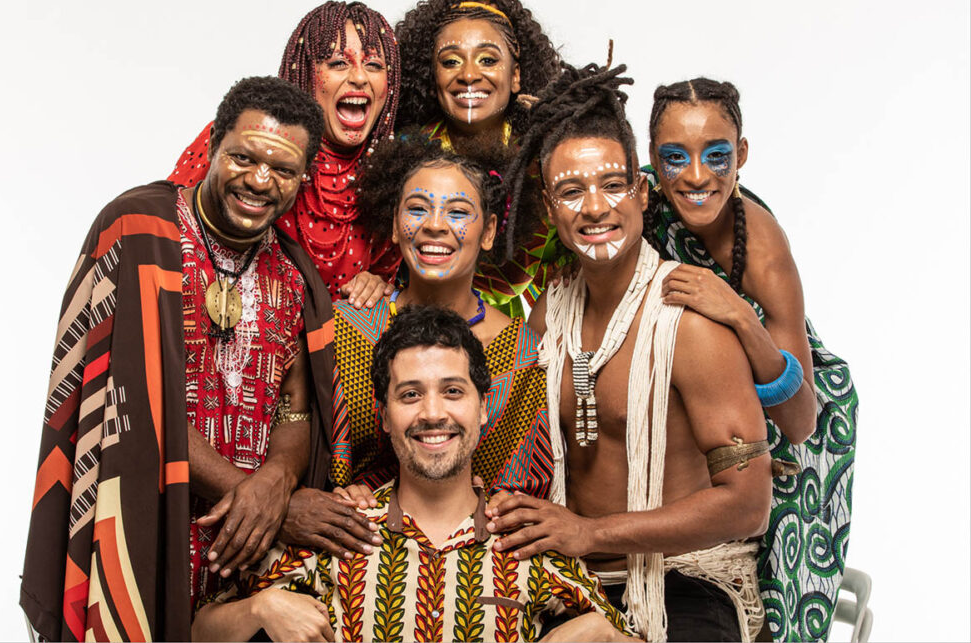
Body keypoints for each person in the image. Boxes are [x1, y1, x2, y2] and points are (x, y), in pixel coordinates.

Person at [20, 76, 341, 640]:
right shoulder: (142, 229)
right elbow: (131, 400)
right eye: (243, 158)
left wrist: (276, 480)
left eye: (283, 170)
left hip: (245, 551)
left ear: (302, 178)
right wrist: (256, 497)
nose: (259, 181)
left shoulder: (294, 274)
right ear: (212, 145)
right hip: (149, 514)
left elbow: (297, 408)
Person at [487, 63, 778, 642]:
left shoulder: (692, 322)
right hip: (571, 581)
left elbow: (748, 504)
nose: (595, 208)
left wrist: (590, 534)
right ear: (549, 208)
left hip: (687, 579)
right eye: (572, 191)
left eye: (612, 185)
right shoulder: (550, 311)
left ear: (642, 192)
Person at [192, 306, 633, 643]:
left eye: (452, 391)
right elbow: (200, 630)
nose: (433, 413)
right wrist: (260, 609)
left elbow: (625, 635)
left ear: (483, 408)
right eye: (410, 395)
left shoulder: (526, 538)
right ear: (384, 416)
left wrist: (603, 632)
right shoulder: (339, 528)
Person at [642, 78, 857, 642]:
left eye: (716, 155)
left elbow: (801, 420)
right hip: (717, 398)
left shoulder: (762, 247)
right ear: (650, 160)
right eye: (674, 157)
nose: (695, 176)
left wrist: (738, 315)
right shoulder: (639, 199)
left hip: (797, 398)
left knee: (775, 596)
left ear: (741, 154)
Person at [328, 137, 551, 514]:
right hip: (354, 544)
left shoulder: (523, 354)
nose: (434, 226)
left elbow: (524, 490)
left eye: (458, 213)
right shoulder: (346, 325)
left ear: (490, 231)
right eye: (417, 209)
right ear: (396, 226)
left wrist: (503, 504)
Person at [168, 1, 402, 303]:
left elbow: (390, 273)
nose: (359, 77)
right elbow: (171, 227)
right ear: (306, 73)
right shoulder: (244, 139)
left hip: (326, 345)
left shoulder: (396, 172)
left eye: (374, 65)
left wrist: (375, 283)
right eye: (338, 63)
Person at [394, 0, 563, 318]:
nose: (469, 74)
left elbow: (567, 263)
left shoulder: (548, 159)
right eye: (451, 61)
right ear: (432, 76)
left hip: (508, 336)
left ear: (516, 76)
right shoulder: (401, 156)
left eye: (487, 59)